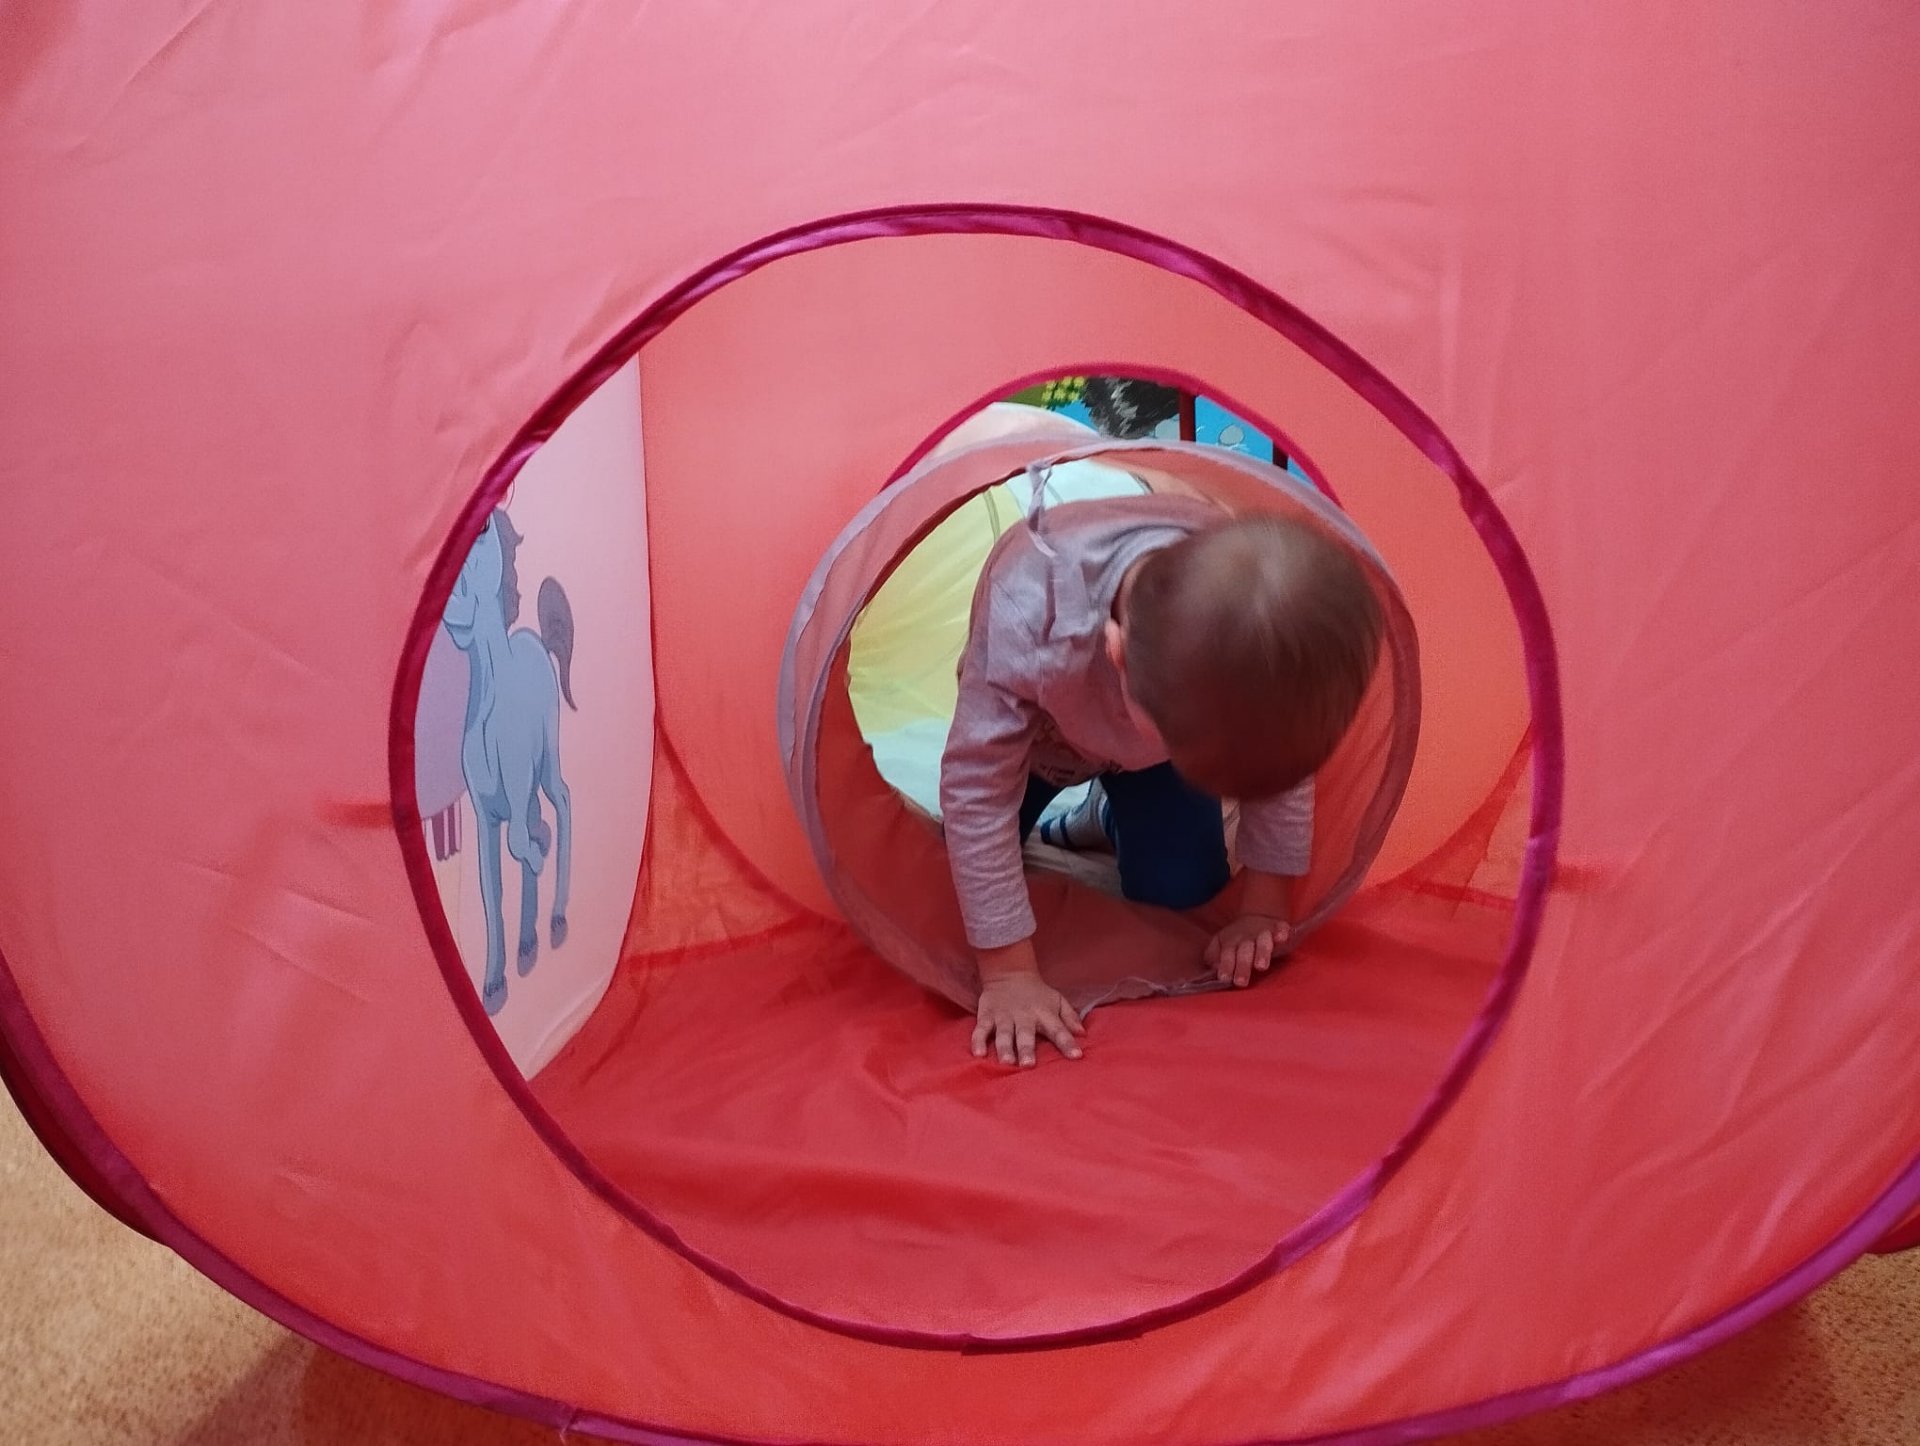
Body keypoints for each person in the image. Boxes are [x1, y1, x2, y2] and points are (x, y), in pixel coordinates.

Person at [939, 473, 1384, 1068]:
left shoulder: (1241, 628)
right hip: (1036, 748)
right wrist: (1008, 973)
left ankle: (1104, 817)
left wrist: (1263, 906)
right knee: (955, 870)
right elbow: (976, 792)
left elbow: (1276, 745)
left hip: (1155, 750)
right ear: (1117, 654)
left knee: (1182, 894)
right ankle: (1092, 809)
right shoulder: (1033, 619)